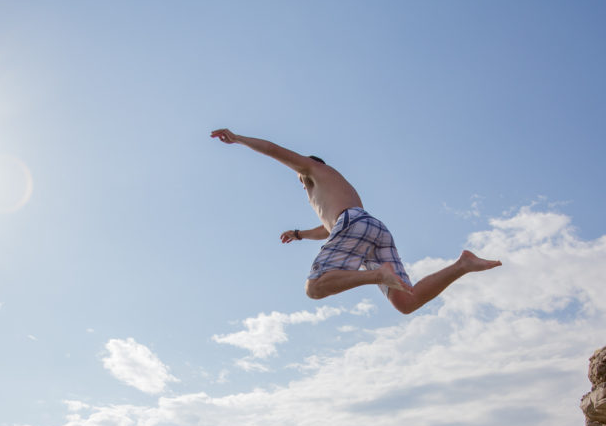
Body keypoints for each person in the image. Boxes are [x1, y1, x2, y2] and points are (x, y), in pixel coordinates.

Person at [210, 129, 501, 314]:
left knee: (315, 288)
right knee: (406, 301)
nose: (302, 184)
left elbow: (275, 151)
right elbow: (329, 230)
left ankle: (378, 274)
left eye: (301, 179)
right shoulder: (332, 190)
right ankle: (463, 265)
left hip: (353, 223)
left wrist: (239, 139)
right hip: (371, 227)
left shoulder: (314, 169)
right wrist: (298, 234)